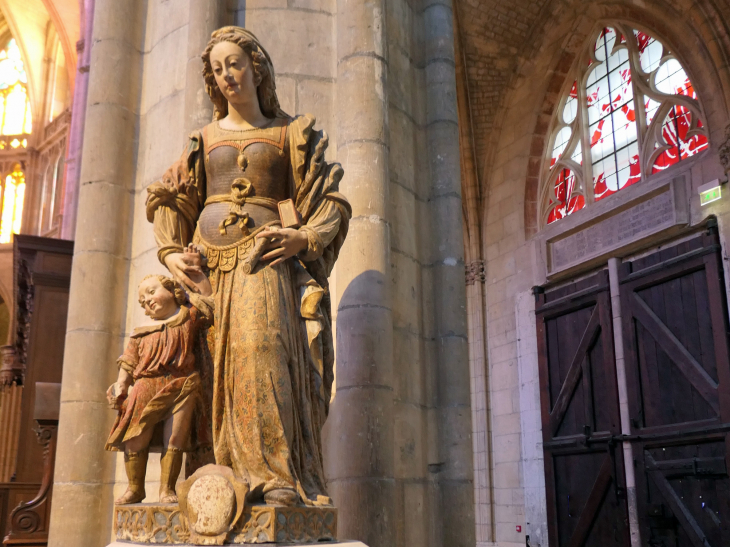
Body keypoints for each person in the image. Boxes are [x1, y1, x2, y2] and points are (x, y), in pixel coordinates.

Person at [145, 27, 350, 507]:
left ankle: (272, 475)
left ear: (256, 67)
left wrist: (305, 237)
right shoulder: (204, 138)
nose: (226, 75)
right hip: (204, 271)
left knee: (262, 356)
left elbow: (331, 201)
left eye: (234, 63)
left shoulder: (290, 133)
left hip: (264, 264)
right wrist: (172, 252)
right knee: (207, 366)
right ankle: (205, 481)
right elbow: (169, 197)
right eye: (217, 70)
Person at [106, 245, 213, 505]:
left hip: (182, 383)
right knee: (135, 437)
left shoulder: (187, 316)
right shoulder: (141, 330)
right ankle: (135, 488)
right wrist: (121, 384)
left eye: (152, 292)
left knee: (174, 437)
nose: (148, 300)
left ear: (173, 291)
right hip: (145, 385)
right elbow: (129, 361)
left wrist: (195, 269)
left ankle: (167, 489)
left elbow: (210, 302)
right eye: (143, 301)